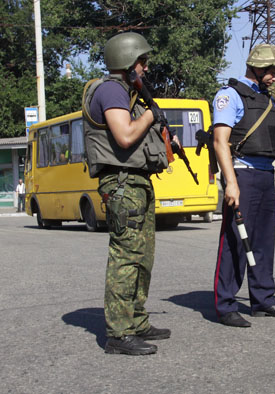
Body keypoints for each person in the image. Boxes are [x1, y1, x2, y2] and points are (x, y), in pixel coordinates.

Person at [82, 32, 174, 355]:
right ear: (127, 61)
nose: (146, 68)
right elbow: (123, 136)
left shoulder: (126, 94)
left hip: (136, 182)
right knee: (125, 257)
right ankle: (119, 334)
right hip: (121, 185)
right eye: (142, 61)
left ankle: (135, 319)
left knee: (143, 256)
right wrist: (152, 113)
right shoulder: (110, 90)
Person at [213, 43, 275, 327]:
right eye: (272, 71)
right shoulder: (229, 95)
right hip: (241, 175)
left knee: (264, 241)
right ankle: (226, 305)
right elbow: (221, 142)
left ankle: (263, 301)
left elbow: (267, 146)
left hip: (265, 175)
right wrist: (231, 183)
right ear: (256, 66)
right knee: (235, 240)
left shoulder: (267, 101)